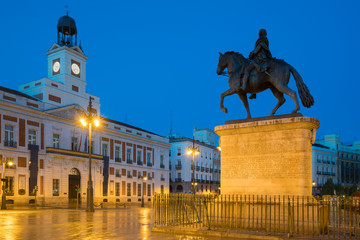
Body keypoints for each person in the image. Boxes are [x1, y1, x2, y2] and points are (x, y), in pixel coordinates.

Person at [240, 29, 273, 98]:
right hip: (260, 57)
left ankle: (243, 86)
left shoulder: (262, 40)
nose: (258, 34)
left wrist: (253, 53)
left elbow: (259, 47)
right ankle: (254, 92)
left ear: (261, 33)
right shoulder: (265, 40)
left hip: (259, 58)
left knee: (247, 69)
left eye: (259, 33)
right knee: (253, 72)